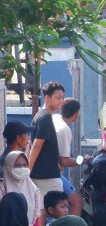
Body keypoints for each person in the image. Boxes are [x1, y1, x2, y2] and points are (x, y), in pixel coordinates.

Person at [26, 83, 65, 213]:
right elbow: (36, 146)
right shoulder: (45, 118)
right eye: (58, 98)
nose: (61, 101)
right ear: (47, 98)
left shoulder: (41, 115)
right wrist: (28, 171)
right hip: (46, 177)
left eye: (62, 98)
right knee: (56, 210)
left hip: (45, 174)